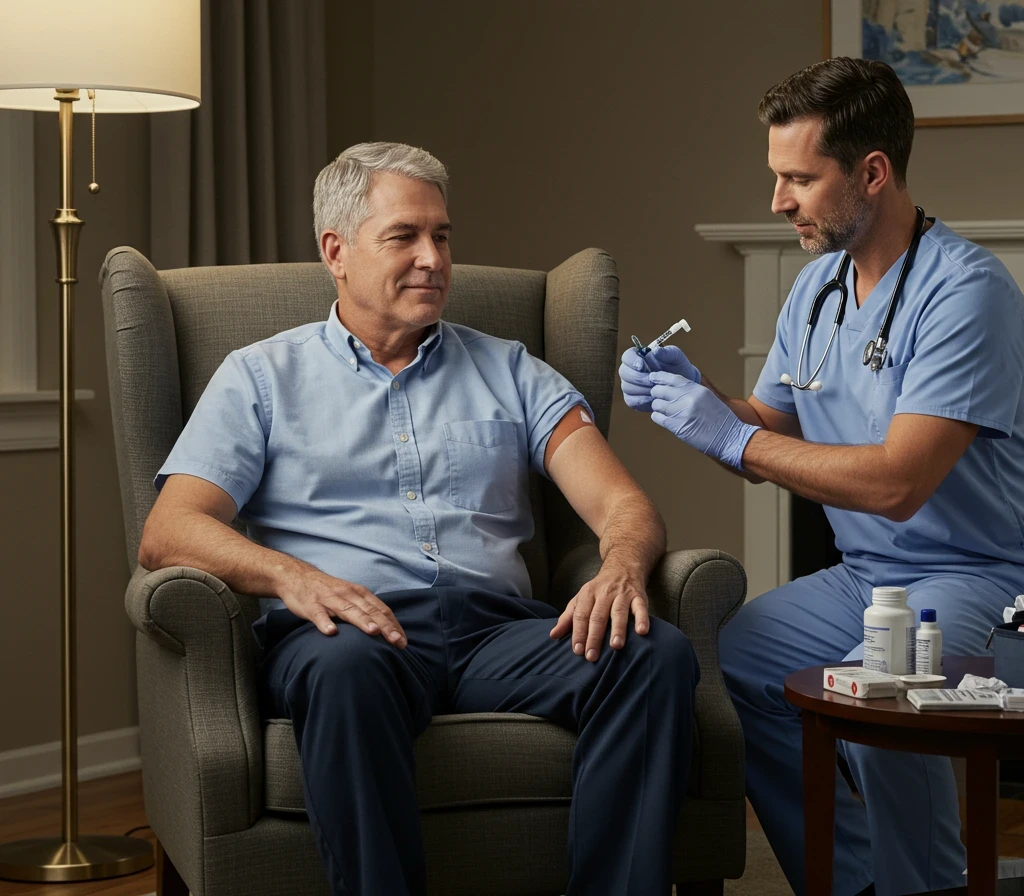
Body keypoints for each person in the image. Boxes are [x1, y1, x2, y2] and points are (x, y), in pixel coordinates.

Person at [138, 142, 698, 896]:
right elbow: (169, 530)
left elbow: (622, 504)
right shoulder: (259, 377)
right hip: (347, 631)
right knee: (344, 672)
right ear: (336, 251)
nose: (433, 258)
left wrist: (622, 567)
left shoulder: (513, 371)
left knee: (652, 655)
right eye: (404, 236)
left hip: (498, 631)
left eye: (442, 236)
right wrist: (291, 577)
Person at [619, 58, 1024, 895]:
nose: (778, 201)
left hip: (990, 579)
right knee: (734, 654)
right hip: (871, 576)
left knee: (877, 680)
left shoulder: (966, 293)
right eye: (776, 177)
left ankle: (926, 885)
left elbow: (900, 482)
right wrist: (696, 397)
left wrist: (728, 438)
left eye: (799, 178)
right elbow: (771, 430)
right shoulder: (817, 288)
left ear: (873, 172)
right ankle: (856, 880)